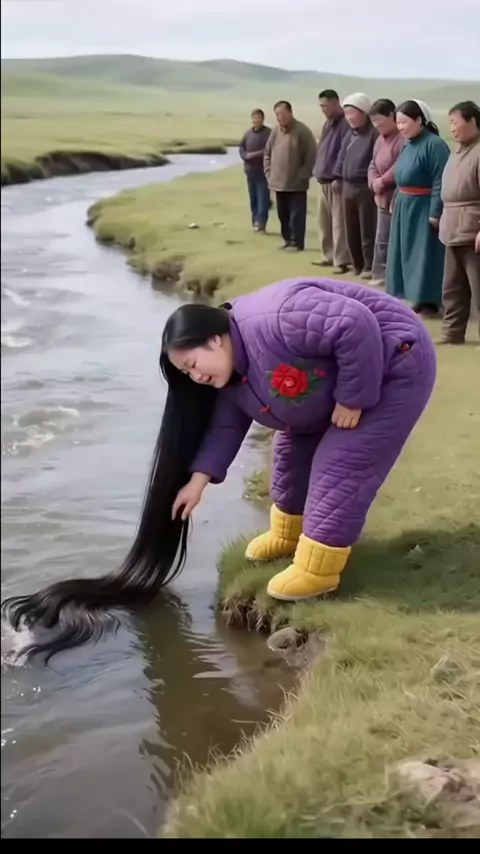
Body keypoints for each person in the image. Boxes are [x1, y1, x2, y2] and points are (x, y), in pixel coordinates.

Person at [3, 278, 437, 661]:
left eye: (192, 365)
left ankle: (319, 569)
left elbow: (354, 323)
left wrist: (353, 397)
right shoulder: (233, 375)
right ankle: (287, 535)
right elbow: (225, 428)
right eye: (185, 373)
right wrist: (197, 482)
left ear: (214, 340)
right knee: (288, 458)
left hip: (395, 363)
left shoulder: (278, 317)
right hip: (322, 391)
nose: (194, 378)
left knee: (341, 465)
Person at [386, 100, 451, 315]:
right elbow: (402, 176)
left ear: (419, 120)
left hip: (423, 206)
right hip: (405, 205)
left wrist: (435, 212)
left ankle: (427, 298)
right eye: (398, 123)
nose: (400, 127)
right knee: (404, 252)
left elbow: (440, 179)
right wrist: (396, 198)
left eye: (404, 122)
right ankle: (410, 293)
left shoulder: (434, 145)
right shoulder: (407, 144)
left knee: (423, 254)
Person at [438, 100, 480, 343]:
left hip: (473, 229)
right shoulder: (457, 151)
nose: (452, 128)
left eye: (455, 122)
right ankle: (452, 333)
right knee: (452, 287)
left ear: (472, 121)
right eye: (450, 123)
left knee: (478, 288)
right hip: (452, 227)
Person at [333, 93, 378, 277]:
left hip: (365, 187)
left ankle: (368, 266)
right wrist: (337, 177)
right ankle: (356, 264)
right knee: (350, 228)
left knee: (367, 228)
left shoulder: (374, 134)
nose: (349, 117)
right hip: (347, 186)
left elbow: (376, 160)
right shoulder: (349, 134)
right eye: (346, 113)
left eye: (352, 112)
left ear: (364, 112)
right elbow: (341, 157)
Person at [263, 101, 317, 251]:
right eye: (277, 114)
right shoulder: (275, 132)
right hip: (278, 182)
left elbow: (311, 157)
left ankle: (296, 243)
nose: (279, 117)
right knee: (283, 215)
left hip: (296, 184)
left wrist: (303, 176)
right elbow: (267, 154)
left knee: (296, 216)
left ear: (290, 112)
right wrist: (269, 172)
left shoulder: (302, 131)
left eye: (282, 114)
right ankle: (287, 240)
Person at [312, 89, 351, 274]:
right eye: (321, 106)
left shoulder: (346, 125)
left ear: (336, 103)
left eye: (325, 106)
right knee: (324, 222)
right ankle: (327, 255)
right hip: (323, 179)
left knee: (338, 222)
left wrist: (338, 176)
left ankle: (341, 260)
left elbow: (345, 153)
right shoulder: (327, 124)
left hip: (336, 181)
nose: (323, 110)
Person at [368, 99, 405, 287]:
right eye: (374, 123)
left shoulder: (402, 139)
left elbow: (400, 164)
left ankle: (393, 276)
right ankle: (380, 273)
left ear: (392, 116)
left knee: (394, 240)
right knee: (381, 239)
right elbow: (373, 164)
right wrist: (373, 181)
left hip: (396, 196)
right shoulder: (379, 140)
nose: (377, 126)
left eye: (380, 122)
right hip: (380, 196)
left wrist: (382, 181)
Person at [238, 109, 272, 232]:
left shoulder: (269, 133)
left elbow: (270, 149)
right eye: (254, 118)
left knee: (263, 199)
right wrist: (245, 156)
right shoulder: (248, 133)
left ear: (263, 119)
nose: (256, 120)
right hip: (250, 172)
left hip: (263, 172)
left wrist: (255, 154)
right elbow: (241, 147)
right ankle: (255, 222)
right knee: (253, 199)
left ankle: (261, 223)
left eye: (258, 118)